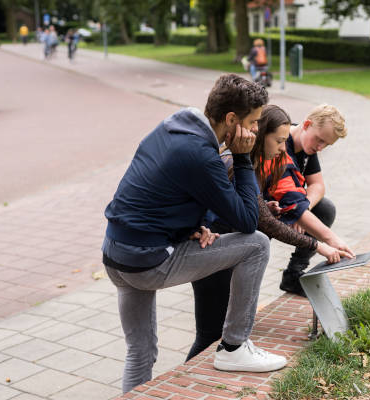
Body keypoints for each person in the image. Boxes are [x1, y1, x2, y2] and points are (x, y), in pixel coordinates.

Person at [102, 74, 287, 393]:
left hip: (115, 255)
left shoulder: (177, 122)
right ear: (231, 119)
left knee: (141, 352)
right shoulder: (202, 155)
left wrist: (191, 226)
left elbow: (163, 190)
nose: (256, 130)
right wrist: (243, 158)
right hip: (148, 263)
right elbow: (246, 221)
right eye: (254, 122)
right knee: (255, 245)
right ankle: (234, 348)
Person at [187, 104, 352, 361]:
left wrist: (270, 208)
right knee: (210, 334)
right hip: (213, 248)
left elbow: (257, 212)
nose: (285, 149)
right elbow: (263, 222)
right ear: (261, 134)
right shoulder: (237, 164)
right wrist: (320, 244)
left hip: (229, 247)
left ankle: (226, 356)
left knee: (217, 331)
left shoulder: (254, 163)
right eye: (279, 141)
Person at [270, 104, 351, 296]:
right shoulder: (280, 144)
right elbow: (288, 198)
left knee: (325, 209)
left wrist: (303, 208)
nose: (320, 148)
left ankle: (293, 274)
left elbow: (318, 186)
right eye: (320, 140)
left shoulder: (308, 147)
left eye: (326, 145)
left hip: (288, 203)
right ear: (306, 124)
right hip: (265, 207)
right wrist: (299, 213)